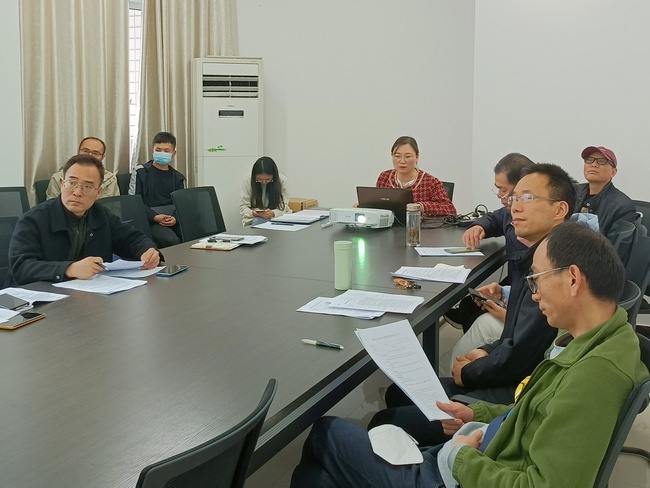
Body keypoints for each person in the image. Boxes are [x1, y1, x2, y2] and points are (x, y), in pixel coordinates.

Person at [290, 222, 648, 488]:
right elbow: (533, 411)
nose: (533, 292)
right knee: (320, 474)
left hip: (470, 472)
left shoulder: (594, 375)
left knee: (326, 431)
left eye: (536, 278)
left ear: (572, 279)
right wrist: (476, 413)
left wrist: (461, 457)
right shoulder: (592, 338)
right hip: (486, 452)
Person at [368, 163, 576, 447]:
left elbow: (521, 358)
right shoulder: (536, 256)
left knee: (384, 420)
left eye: (527, 198)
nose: (514, 206)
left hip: (517, 394)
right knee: (397, 393)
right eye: (513, 198)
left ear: (559, 209)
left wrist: (469, 373)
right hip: (513, 374)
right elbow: (518, 336)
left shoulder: (553, 274)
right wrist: (486, 351)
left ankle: (440, 456)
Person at [8, 154, 160, 286]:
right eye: (72, 183)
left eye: (87, 186)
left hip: (88, 296)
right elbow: (21, 267)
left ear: (98, 192)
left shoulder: (101, 214)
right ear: (62, 184)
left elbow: (131, 238)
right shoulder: (33, 219)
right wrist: (69, 269)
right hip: (38, 299)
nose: (77, 192)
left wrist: (147, 251)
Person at [444, 153, 535, 332]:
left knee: (475, 313)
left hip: (528, 297)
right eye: (497, 189)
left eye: (503, 190)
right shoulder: (510, 211)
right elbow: (495, 218)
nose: (500, 195)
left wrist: (510, 304)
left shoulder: (538, 222)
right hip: (514, 287)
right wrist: (479, 226)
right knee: (470, 303)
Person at [129, 131, 185, 248]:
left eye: (166, 151)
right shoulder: (140, 172)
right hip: (149, 220)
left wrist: (175, 218)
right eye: (158, 150)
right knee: (170, 240)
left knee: (193, 235)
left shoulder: (178, 177)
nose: (162, 153)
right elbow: (133, 202)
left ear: (173, 153)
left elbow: (182, 203)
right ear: (152, 151)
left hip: (172, 218)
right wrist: (154, 216)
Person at [376, 136, 456, 217]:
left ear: (417, 157)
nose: (402, 161)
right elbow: (376, 205)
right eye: (397, 156)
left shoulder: (430, 182)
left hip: (419, 224)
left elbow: (450, 209)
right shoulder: (384, 177)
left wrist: (421, 207)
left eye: (408, 156)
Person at [574, 145, 636, 238]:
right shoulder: (572, 191)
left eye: (602, 161)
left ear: (613, 172)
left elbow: (616, 245)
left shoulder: (623, 206)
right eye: (589, 160)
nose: (593, 164)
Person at [45, 137, 120, 200]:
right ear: (78, 151)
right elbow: (52, 207)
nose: (89, 156)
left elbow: (115, 207)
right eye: (85, 151)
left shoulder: (110, 179)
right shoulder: (58, 178)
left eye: (95, 153)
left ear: (103, 157)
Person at [239, 156, 291, 226]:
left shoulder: (282, 180)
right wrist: (253, 213)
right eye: (259, 179)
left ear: (274, 176)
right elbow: (243, 207)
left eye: (268, 179)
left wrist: (272, 213)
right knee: (258, 221)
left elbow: (283, 207)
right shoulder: (248, 180)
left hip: (277, 217)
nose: (263, 182)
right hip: (255, 218)